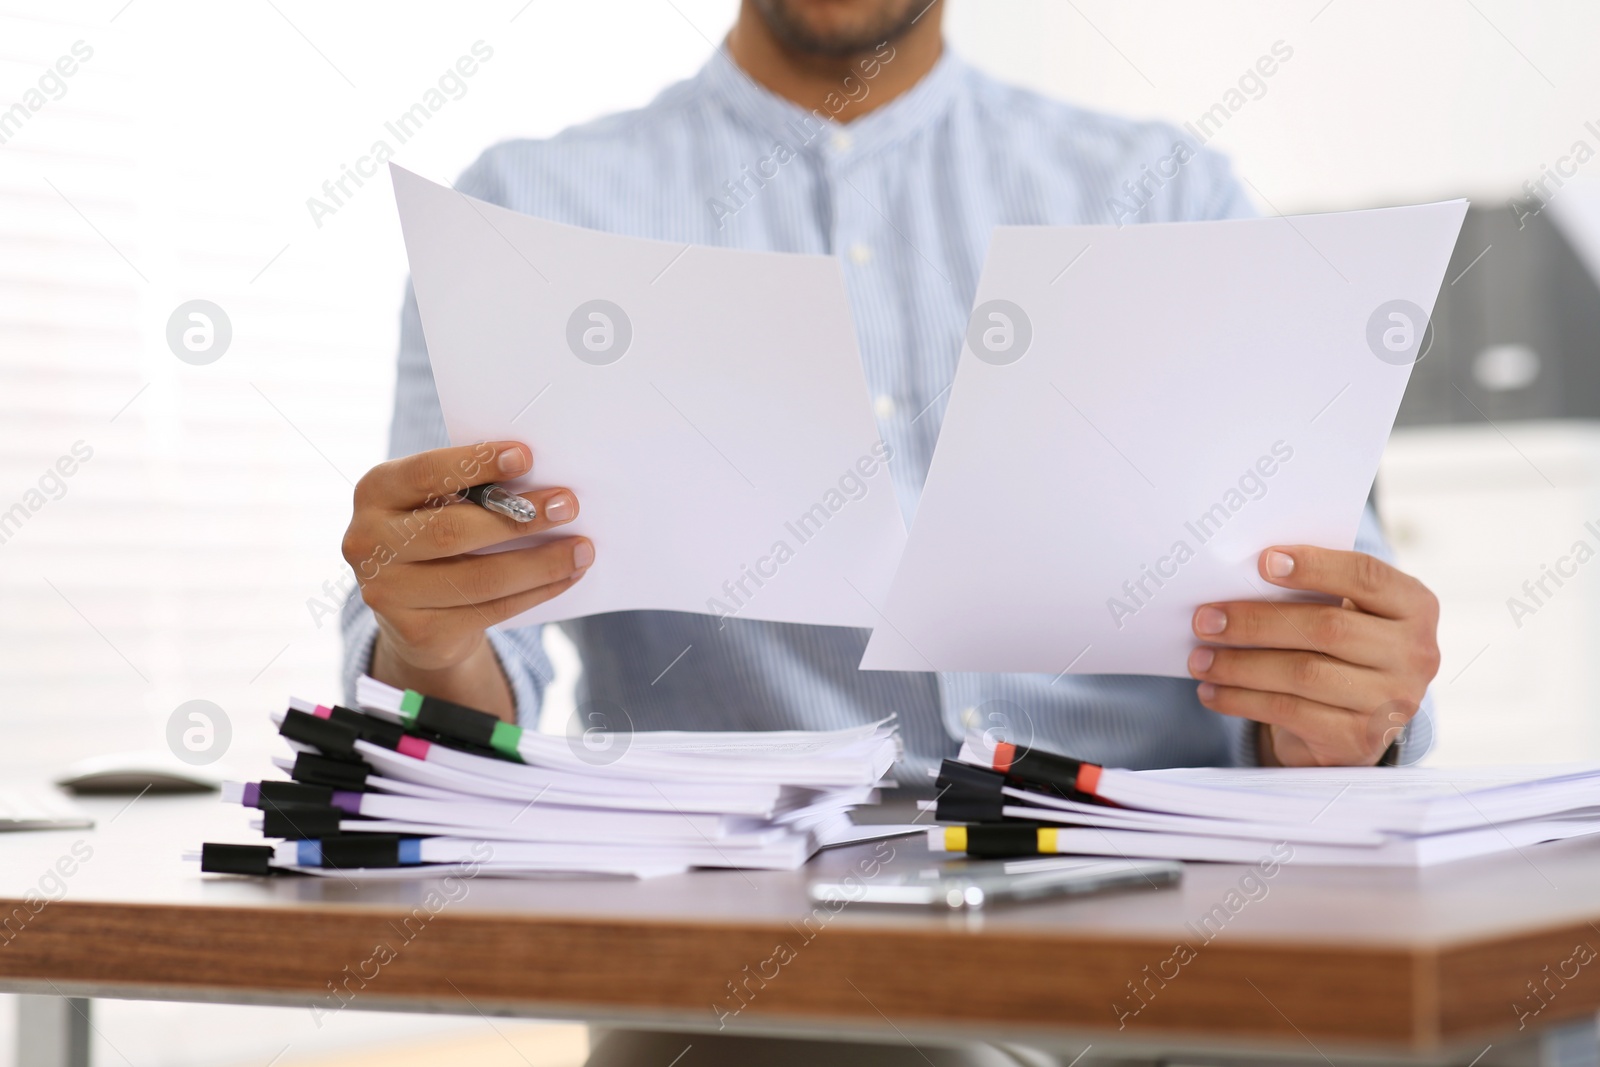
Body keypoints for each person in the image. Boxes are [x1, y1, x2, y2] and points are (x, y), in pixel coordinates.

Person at [340, 1, 1441, 1060]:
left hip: (1195, 930)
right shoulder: (531, 213)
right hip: (772, 971)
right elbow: (464, 711)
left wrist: (1335, 713)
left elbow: (1333, 647)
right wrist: (431, 643)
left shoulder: (1170, 194)